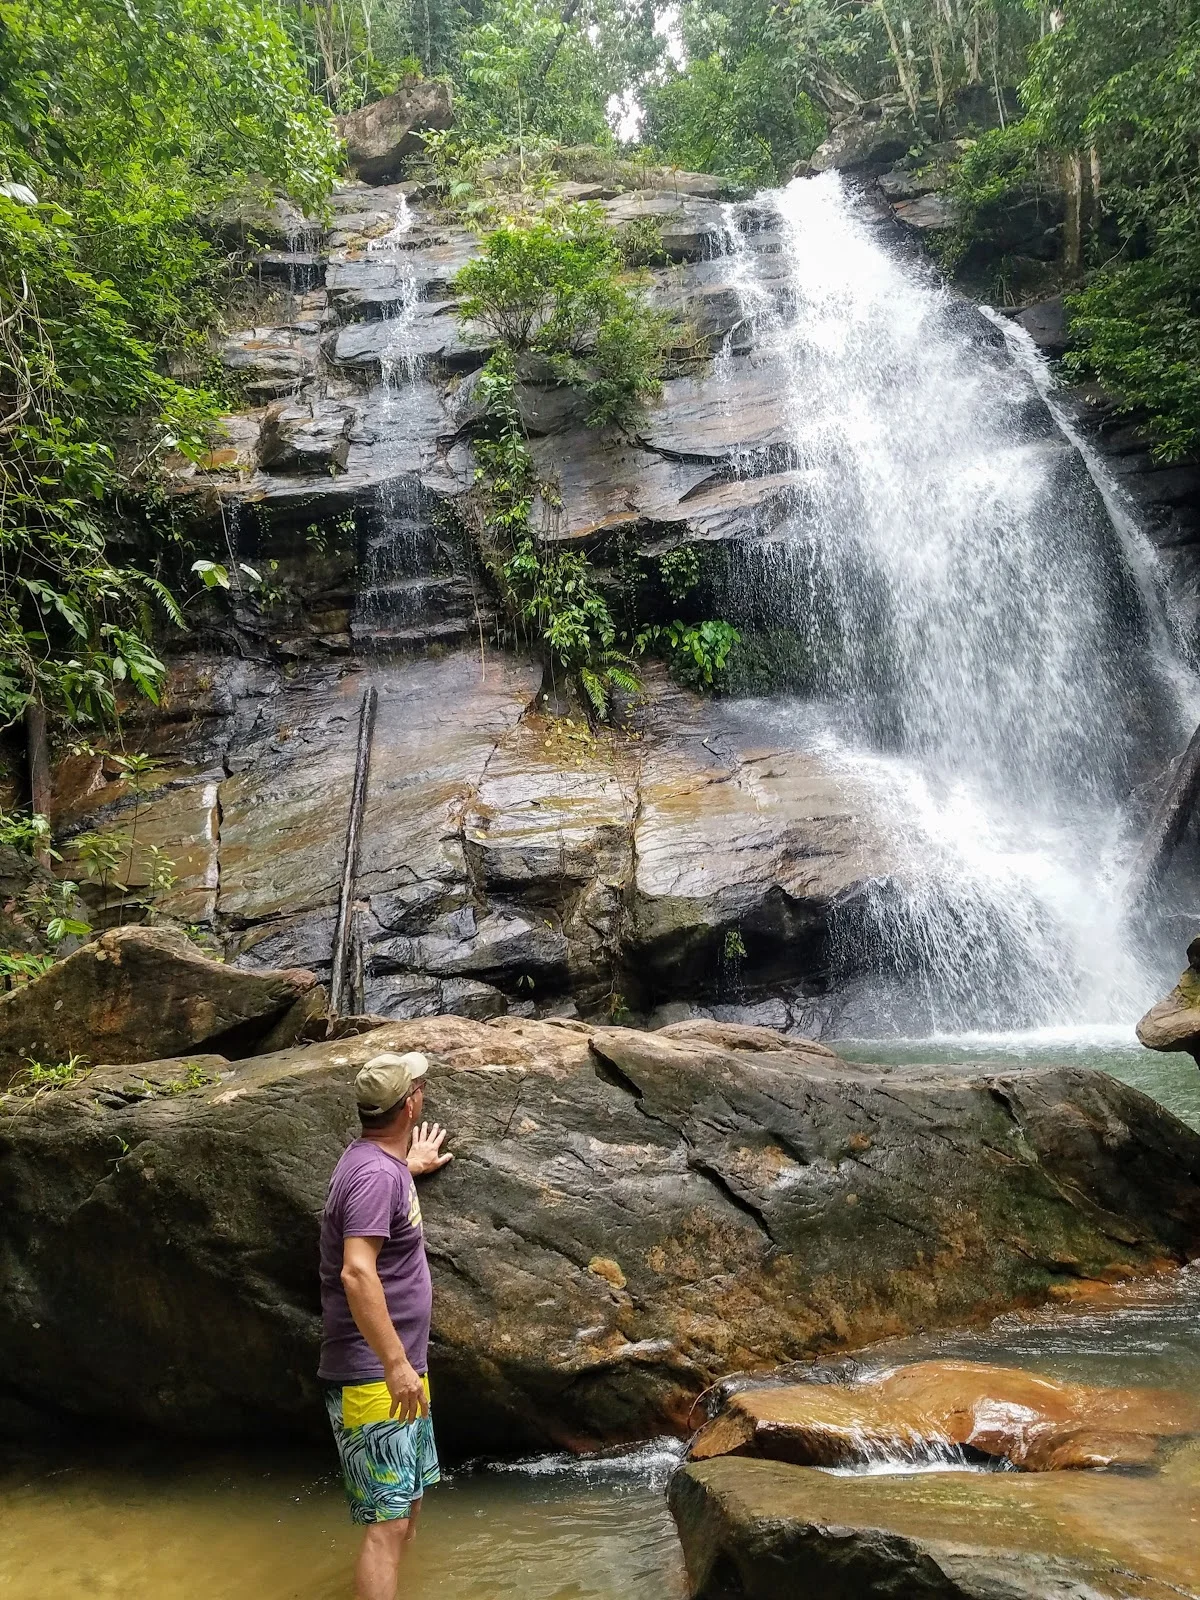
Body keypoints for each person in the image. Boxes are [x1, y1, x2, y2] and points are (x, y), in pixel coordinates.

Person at [319, 1051, 453, 1600]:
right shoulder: (374, 1175)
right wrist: (395, 1365)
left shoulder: (380, 1165)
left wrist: (410, 1166)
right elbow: (356, 1271)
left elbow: (378, 1194)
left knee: (407, 1508)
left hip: (400, 1373)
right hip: (377, 1376)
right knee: (388, 1524)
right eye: (419, 1087)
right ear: (410, 1106)